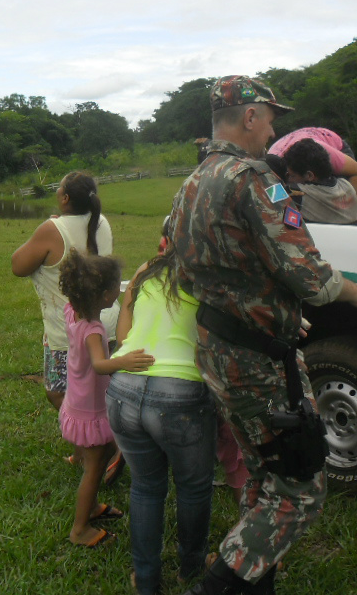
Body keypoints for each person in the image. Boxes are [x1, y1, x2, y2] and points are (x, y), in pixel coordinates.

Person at [170, 75, 357, 595]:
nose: (272, 131)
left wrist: (255, 304)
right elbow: (308, 274)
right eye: (269, 118)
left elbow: (182, 265)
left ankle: (255, 580)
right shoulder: (257, 179)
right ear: (249, 116)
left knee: (264, 473)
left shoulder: (193, 181)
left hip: (218, 348)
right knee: (299, 488)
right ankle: (218, 586)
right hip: (258, 360)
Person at [107, 240, 216, 595]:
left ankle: (146, 579)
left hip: (123, 388)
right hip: (180, 393)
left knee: (145, 487)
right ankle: (191, 568)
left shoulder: (145, 270)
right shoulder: (207, 277)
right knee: (193, 487)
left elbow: (123, 337)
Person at [11, 171, 124, 481]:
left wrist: (49, 227)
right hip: (106, 322)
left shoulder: (52, 229)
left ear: (64, 198)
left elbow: (18, 265)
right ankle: (86, 448)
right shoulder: (101, 222)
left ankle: (106, 446)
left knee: (58, 391)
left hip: (70, 330)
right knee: (99, 390)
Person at [58, 250, 155, 548]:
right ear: (103, 296)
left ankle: (92, 506)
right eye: (116, 286)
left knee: (102, 455)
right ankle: (80, 529)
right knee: (95, 466)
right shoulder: (93, 329)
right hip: (90, 407)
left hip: (78, 399)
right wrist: (124, 361)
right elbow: (100, 364)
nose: (119, 290)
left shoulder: (72, 311)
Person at [283, 138, 357, 225]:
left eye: (292, 175)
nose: (289, 179)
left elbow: (274, 197)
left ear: (309, 176)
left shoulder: (296, 193)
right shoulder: (346, 185)